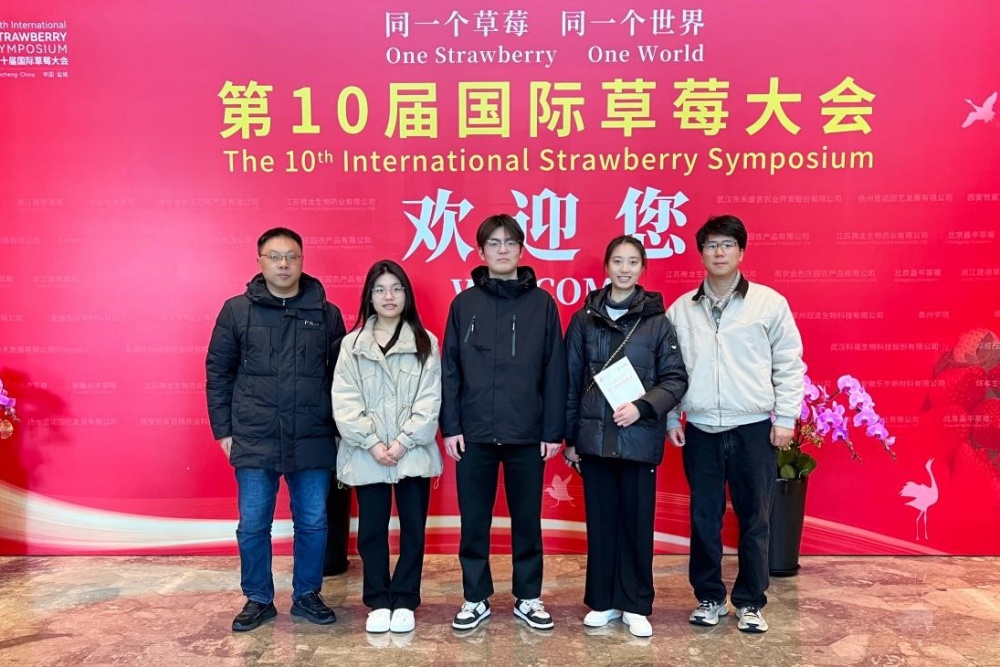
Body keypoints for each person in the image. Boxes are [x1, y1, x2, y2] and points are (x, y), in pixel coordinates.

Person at [665, 215, 804, 634]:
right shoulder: (681, 309)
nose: (719, 252)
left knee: (755, 518)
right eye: (711, 245)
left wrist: (786, 417)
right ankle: (709, 598)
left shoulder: (768, 303)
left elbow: (789, 362)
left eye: (727, 244)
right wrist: (672, 415)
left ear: (741, 252)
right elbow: (670, 369)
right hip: (701, 429)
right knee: (703, 518)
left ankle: (750, 601)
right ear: (701, 254)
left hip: (753, 427)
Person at [206, 227, 346, 632]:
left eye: (291, 256)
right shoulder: (236, 311)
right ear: (260, 262)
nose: (283, 264)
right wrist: (223, 430)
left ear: (302, 261)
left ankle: (307, 595)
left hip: (313, 433)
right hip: (255, 433)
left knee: (314, 522)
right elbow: (218, 373)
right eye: (274, 256)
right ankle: (258, 598)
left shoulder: (326, 313)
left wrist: (340, 429)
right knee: (253, 524)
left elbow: (342, 378)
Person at [441, 213, 567, 631]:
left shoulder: (542, 304)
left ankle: (528, 597)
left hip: (526, 433)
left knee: (527, 520)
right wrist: (451, 426)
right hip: (474, 433)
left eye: (509, 242)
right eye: (493, 243)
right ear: (481, 251)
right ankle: (475, 597)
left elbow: (554, 369)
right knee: (473, 521)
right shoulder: (464, 304)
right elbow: (450, 370)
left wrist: (552, 430)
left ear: (521, 249)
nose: (502, 249)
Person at [563, 235, 688, 638]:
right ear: (607, 267)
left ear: (642, 268)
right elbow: (570, 381)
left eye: (633, 262)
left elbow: (675, 378)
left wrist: (643, 406)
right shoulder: (583, 320)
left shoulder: (657, 322)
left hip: (638, 438)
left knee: (636, 524)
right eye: (618, 261)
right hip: (595, 439)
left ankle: (635, 604)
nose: (625, 269)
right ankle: (602, 601)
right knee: (601, 524)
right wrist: (570, 439)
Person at [332, 260, 443, 634]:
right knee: (371, 531)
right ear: (369, 296)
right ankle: (378, 599)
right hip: (368, 454)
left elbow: (430, 400)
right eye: (380, 289)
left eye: (396, 288)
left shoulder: (426, 342)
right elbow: (344, 400)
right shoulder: (352, 345)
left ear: (407, 295)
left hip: (412, 452)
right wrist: (373, 443)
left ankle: (406, 599)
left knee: (413, 529)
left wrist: (403, 442)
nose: (388, 296)